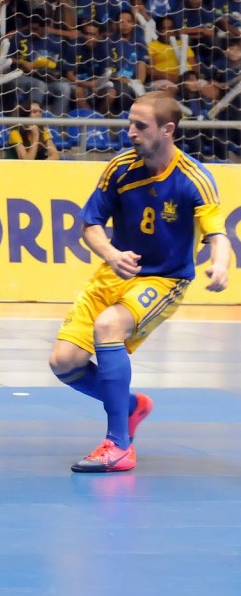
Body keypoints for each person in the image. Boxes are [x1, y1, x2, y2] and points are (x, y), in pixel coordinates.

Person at [48, 92, 230, 473]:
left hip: (164, 280)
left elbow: (218, 233)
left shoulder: (194, 178)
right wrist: (111, 254)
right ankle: (132, 407)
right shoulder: (120, 167)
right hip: (113, 273)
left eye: (140, 126)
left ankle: (118, 444)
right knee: (64, 363)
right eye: (129, 123)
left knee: (108, 326)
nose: (130, 132)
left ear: (167, 130)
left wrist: (220, 264)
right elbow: (90, 225)